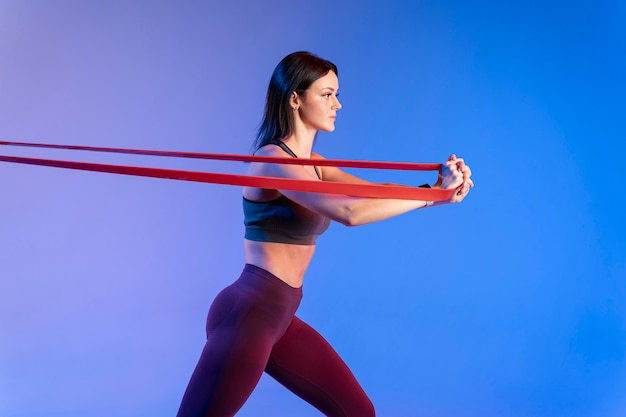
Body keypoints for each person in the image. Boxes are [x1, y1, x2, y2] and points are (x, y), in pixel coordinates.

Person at [176, 51, 473, 417]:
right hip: (248, 316)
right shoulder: (273, 161)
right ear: (295, 98)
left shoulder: (314, 165)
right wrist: (429, 198)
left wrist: (437, 189)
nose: (338, 104)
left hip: (281, 318)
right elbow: (349, 212)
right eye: (327, 94)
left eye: (336, 94)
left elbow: (373, 192)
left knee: (359, 413)